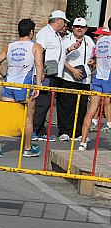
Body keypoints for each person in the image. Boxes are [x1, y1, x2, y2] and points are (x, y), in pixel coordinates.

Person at [0, 19, 44, 158]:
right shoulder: (36, 47)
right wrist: (38, 85)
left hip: (9, 84)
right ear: (31, 32)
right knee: (28, 119)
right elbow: (39, 66)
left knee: (4, 116)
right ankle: (27, 148)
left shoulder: (10, 46)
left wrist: (5, 75)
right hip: (24, 86)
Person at [32, 10, 80, 142]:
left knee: (46, 103)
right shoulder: (45, 33)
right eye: (64, 22)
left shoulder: (56, 35)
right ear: (58, 20)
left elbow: (56, 53)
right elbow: (39, 52)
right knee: (42, 103)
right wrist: (40, 74)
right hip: (46, 75)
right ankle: (34, 129)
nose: (65, 25)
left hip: (53, 74)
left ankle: (40, 129)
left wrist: (69, 49)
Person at [57, 17, 94, 141]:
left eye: (82, 27)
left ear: (86, 29)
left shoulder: (89, 41)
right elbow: (61, 58)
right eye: (77, 26)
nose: (79, 29)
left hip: (84, 79)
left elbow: (93, 57)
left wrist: (93, 63)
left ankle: (78, 133)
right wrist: (72, 70)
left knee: (82, 107)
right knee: (66, 106)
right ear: (72, 28)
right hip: (68, 78)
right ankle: (64, 131)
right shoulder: (65, 40)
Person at [80, 19, 111, 150]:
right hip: (109, 77)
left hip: (98, 77)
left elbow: (95, 58)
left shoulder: (100, 41)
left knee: (91, 111)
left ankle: (82, 142)